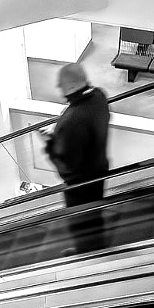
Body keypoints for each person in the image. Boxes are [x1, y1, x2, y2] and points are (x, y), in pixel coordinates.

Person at [45, 62, 111, 253]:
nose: (58, 87)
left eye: (60, 84)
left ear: (71, 86)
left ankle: (87, 254)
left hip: (80, 185)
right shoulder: (99, 96)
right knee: (94, 214)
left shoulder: (72, 119)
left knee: (81, 222)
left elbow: (66, 168)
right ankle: (97, 247)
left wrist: (51, 143)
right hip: (99, 169)